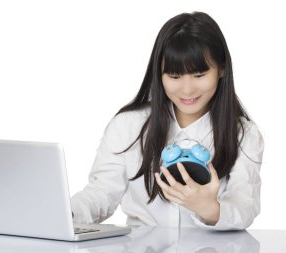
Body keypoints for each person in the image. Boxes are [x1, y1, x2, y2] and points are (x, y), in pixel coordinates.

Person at [71, 11, 264, 230]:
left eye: (199, 75)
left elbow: (244, 205)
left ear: (221, 69)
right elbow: (100, 194)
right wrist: (64, 214)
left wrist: (208, 207)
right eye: (174, 76)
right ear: (159, 74)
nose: (187, 89)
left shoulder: (243, 134)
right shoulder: (127, 126)